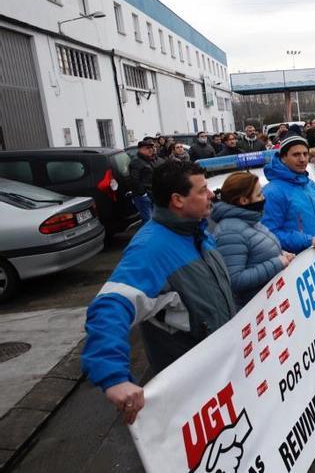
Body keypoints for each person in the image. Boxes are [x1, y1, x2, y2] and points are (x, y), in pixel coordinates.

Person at [81, 160, 237, 424]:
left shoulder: (198, 231)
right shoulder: (151, 249)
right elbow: (109, 308)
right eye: (202, 190)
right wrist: (114, 377)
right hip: (190, 388)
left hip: (220, 371)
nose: (211, 194)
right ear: (177, 200)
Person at [212, 172, 294, 307]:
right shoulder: (230, 231)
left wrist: (281, 253)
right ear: (244, 200)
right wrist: (277, 263)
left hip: (273, 301)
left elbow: (259, 251)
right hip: (259, 311)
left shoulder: (250, 220)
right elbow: (235, 280)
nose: (263, 198)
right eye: (259, 195)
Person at [262, 136, 315, 254]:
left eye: (305, 154)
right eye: (296, 155)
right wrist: (306, 240)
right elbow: (270, 234)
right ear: (283, 158)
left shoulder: (309, 184)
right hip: (295, 263)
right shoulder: (272, 192)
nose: (302, 159)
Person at [129, 138, 164, 222]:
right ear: (140, 149)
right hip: (143, 196)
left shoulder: (148, 159)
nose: (151, 150)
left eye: (151, 148)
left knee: (153, 219)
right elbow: (135, 180)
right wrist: (143, 194)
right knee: (148, 220)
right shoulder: (136, 162)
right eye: (147, 148)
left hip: (151, 194)